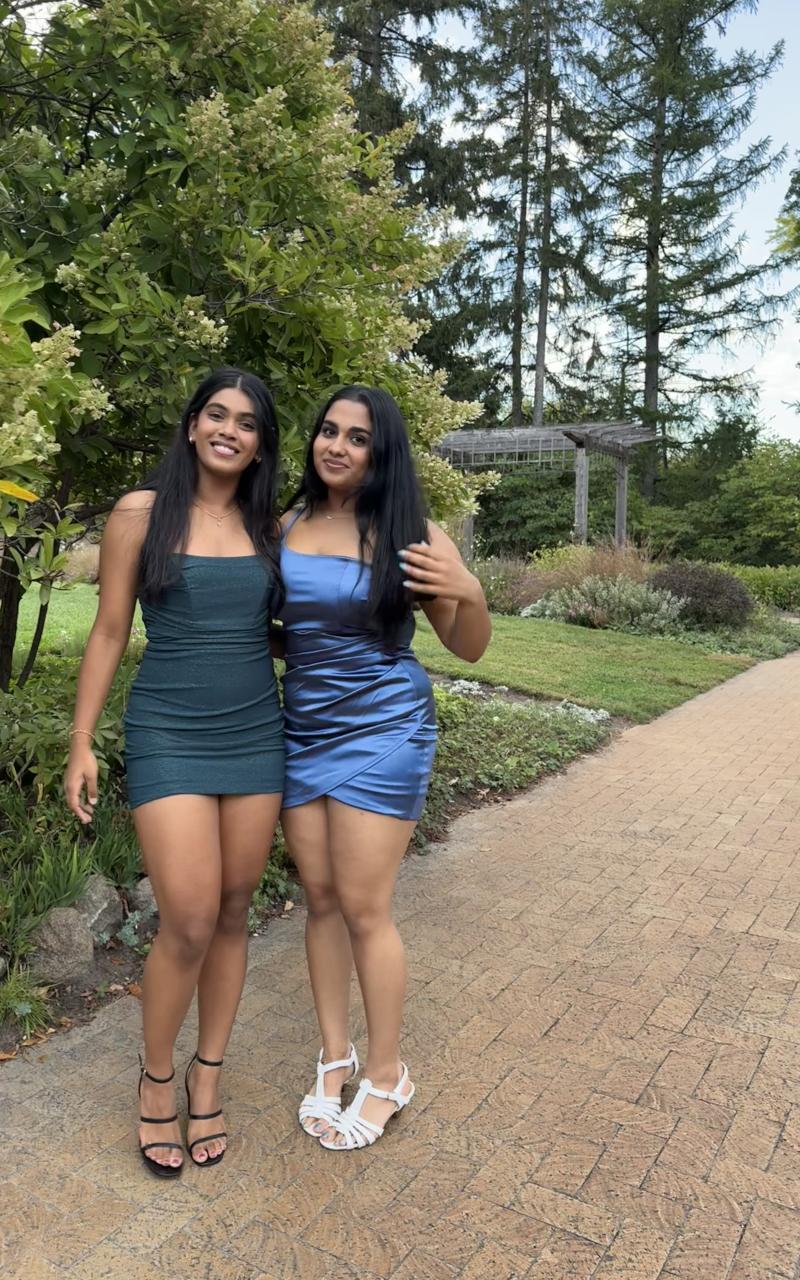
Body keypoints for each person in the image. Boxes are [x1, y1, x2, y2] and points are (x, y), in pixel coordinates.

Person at [64, 368, 284, 1178]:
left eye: (247, 422)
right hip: (169, 730)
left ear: (260, 444)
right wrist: (82, 741)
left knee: (232, 910)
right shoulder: (140, 513)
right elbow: (109, 630)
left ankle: (208, 1076)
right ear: (192, 425)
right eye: (216, 414)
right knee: (188, 918)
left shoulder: (270, 525)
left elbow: (280, 628)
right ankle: (156, 1080)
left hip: (257, 732)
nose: (230, 430)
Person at [278, 385, 491, 1151]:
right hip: (303, 727)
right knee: (321, 900)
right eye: (328, 431)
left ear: (382, 451)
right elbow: (285, 628)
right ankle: (334, 1057)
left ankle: (389, 1072)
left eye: (357, 437)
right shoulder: (287, 524)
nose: (336, 446)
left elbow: (469, 647)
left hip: (384, 729)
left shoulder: (413, 536)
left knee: (365, 907)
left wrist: (468, 590)